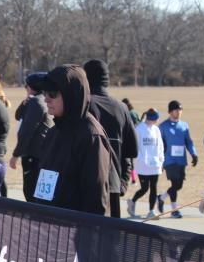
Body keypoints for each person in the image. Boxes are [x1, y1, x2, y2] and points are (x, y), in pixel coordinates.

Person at [32, 64, 112, 214]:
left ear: (71, 95)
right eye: (45, 93)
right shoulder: (54, 132)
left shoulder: (91, 136)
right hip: (48, 221)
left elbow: (95, 199)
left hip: (74, 225)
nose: (46, 99)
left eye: (52, 94)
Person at [82, 60, 138, 218]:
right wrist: (122, 183)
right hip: (113, 185)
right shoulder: (122, 107)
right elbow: (132, 150)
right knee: (110, 233)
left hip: (86, 185)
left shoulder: (84, 105)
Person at [11, 71, 53, 203]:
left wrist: (16, 155)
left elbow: (27, 131)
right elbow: (18, 116)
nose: (25, 88)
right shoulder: (38, 100)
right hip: (40, 154)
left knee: (30, 192)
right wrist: (24, 103)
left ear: (32, 87)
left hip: (33, 155)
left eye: (26, 86)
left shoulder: (36, 102)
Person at [157, 100, 199, 218]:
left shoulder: (184, 125)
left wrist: (194, 154)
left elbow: (188, 141)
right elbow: (159, 144)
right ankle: (174, 210)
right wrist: (160, 160)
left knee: (179, 185)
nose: (179, 112)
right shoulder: (163, 126)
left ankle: (161, 197)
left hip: (181, 160)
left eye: (180, 110)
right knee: (174, 183)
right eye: (176, 110)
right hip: (169, 160)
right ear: (170, 111)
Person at [127, 108, 165, 219]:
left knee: (154, 187)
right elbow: (135, 146)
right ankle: (132, 201)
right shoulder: (139, 129)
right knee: (144, 188)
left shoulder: (156, 130)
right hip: (142, 165)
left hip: (155, 164)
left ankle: (151, 211)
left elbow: (160, 146)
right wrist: (140, 159)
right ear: (154, 118)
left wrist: (161, 160)